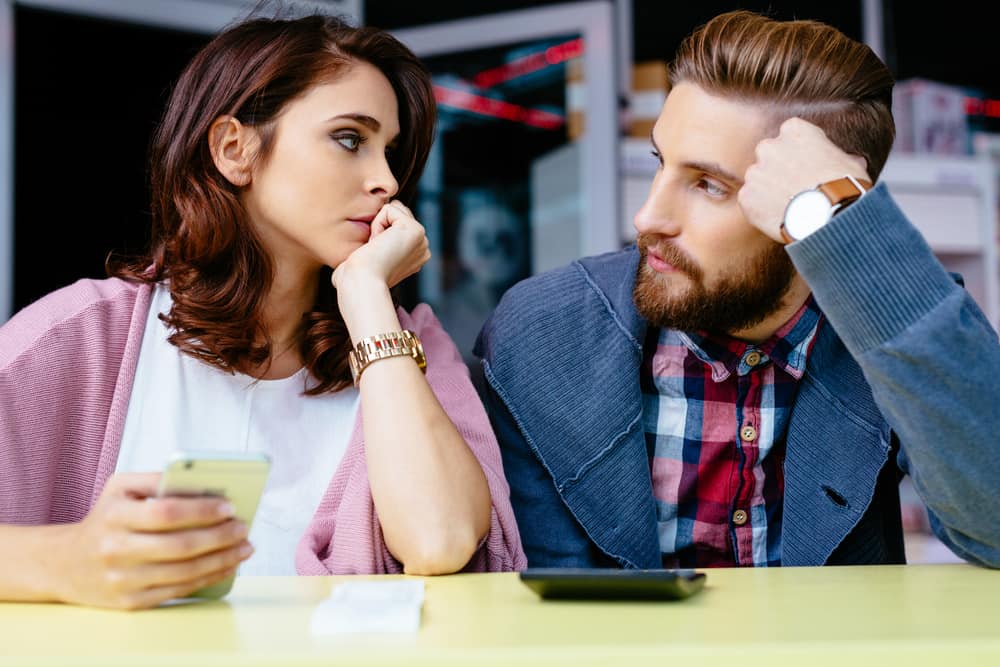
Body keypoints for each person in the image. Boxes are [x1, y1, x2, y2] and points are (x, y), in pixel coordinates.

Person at [0, 13, 525, 610]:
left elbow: (440, 540)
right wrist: (66, 562)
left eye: (391, 153)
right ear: (233, 149)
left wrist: (366, 300)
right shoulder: (83, 337)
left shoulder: (412, 346)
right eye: (350, 138)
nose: (385, 181)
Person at [475, 10, 1000, 570]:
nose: (648, 216)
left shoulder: (889, 314)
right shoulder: (544, 336)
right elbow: (552, 615)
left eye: (708, 184)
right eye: (660, 162)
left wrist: (852, 222)